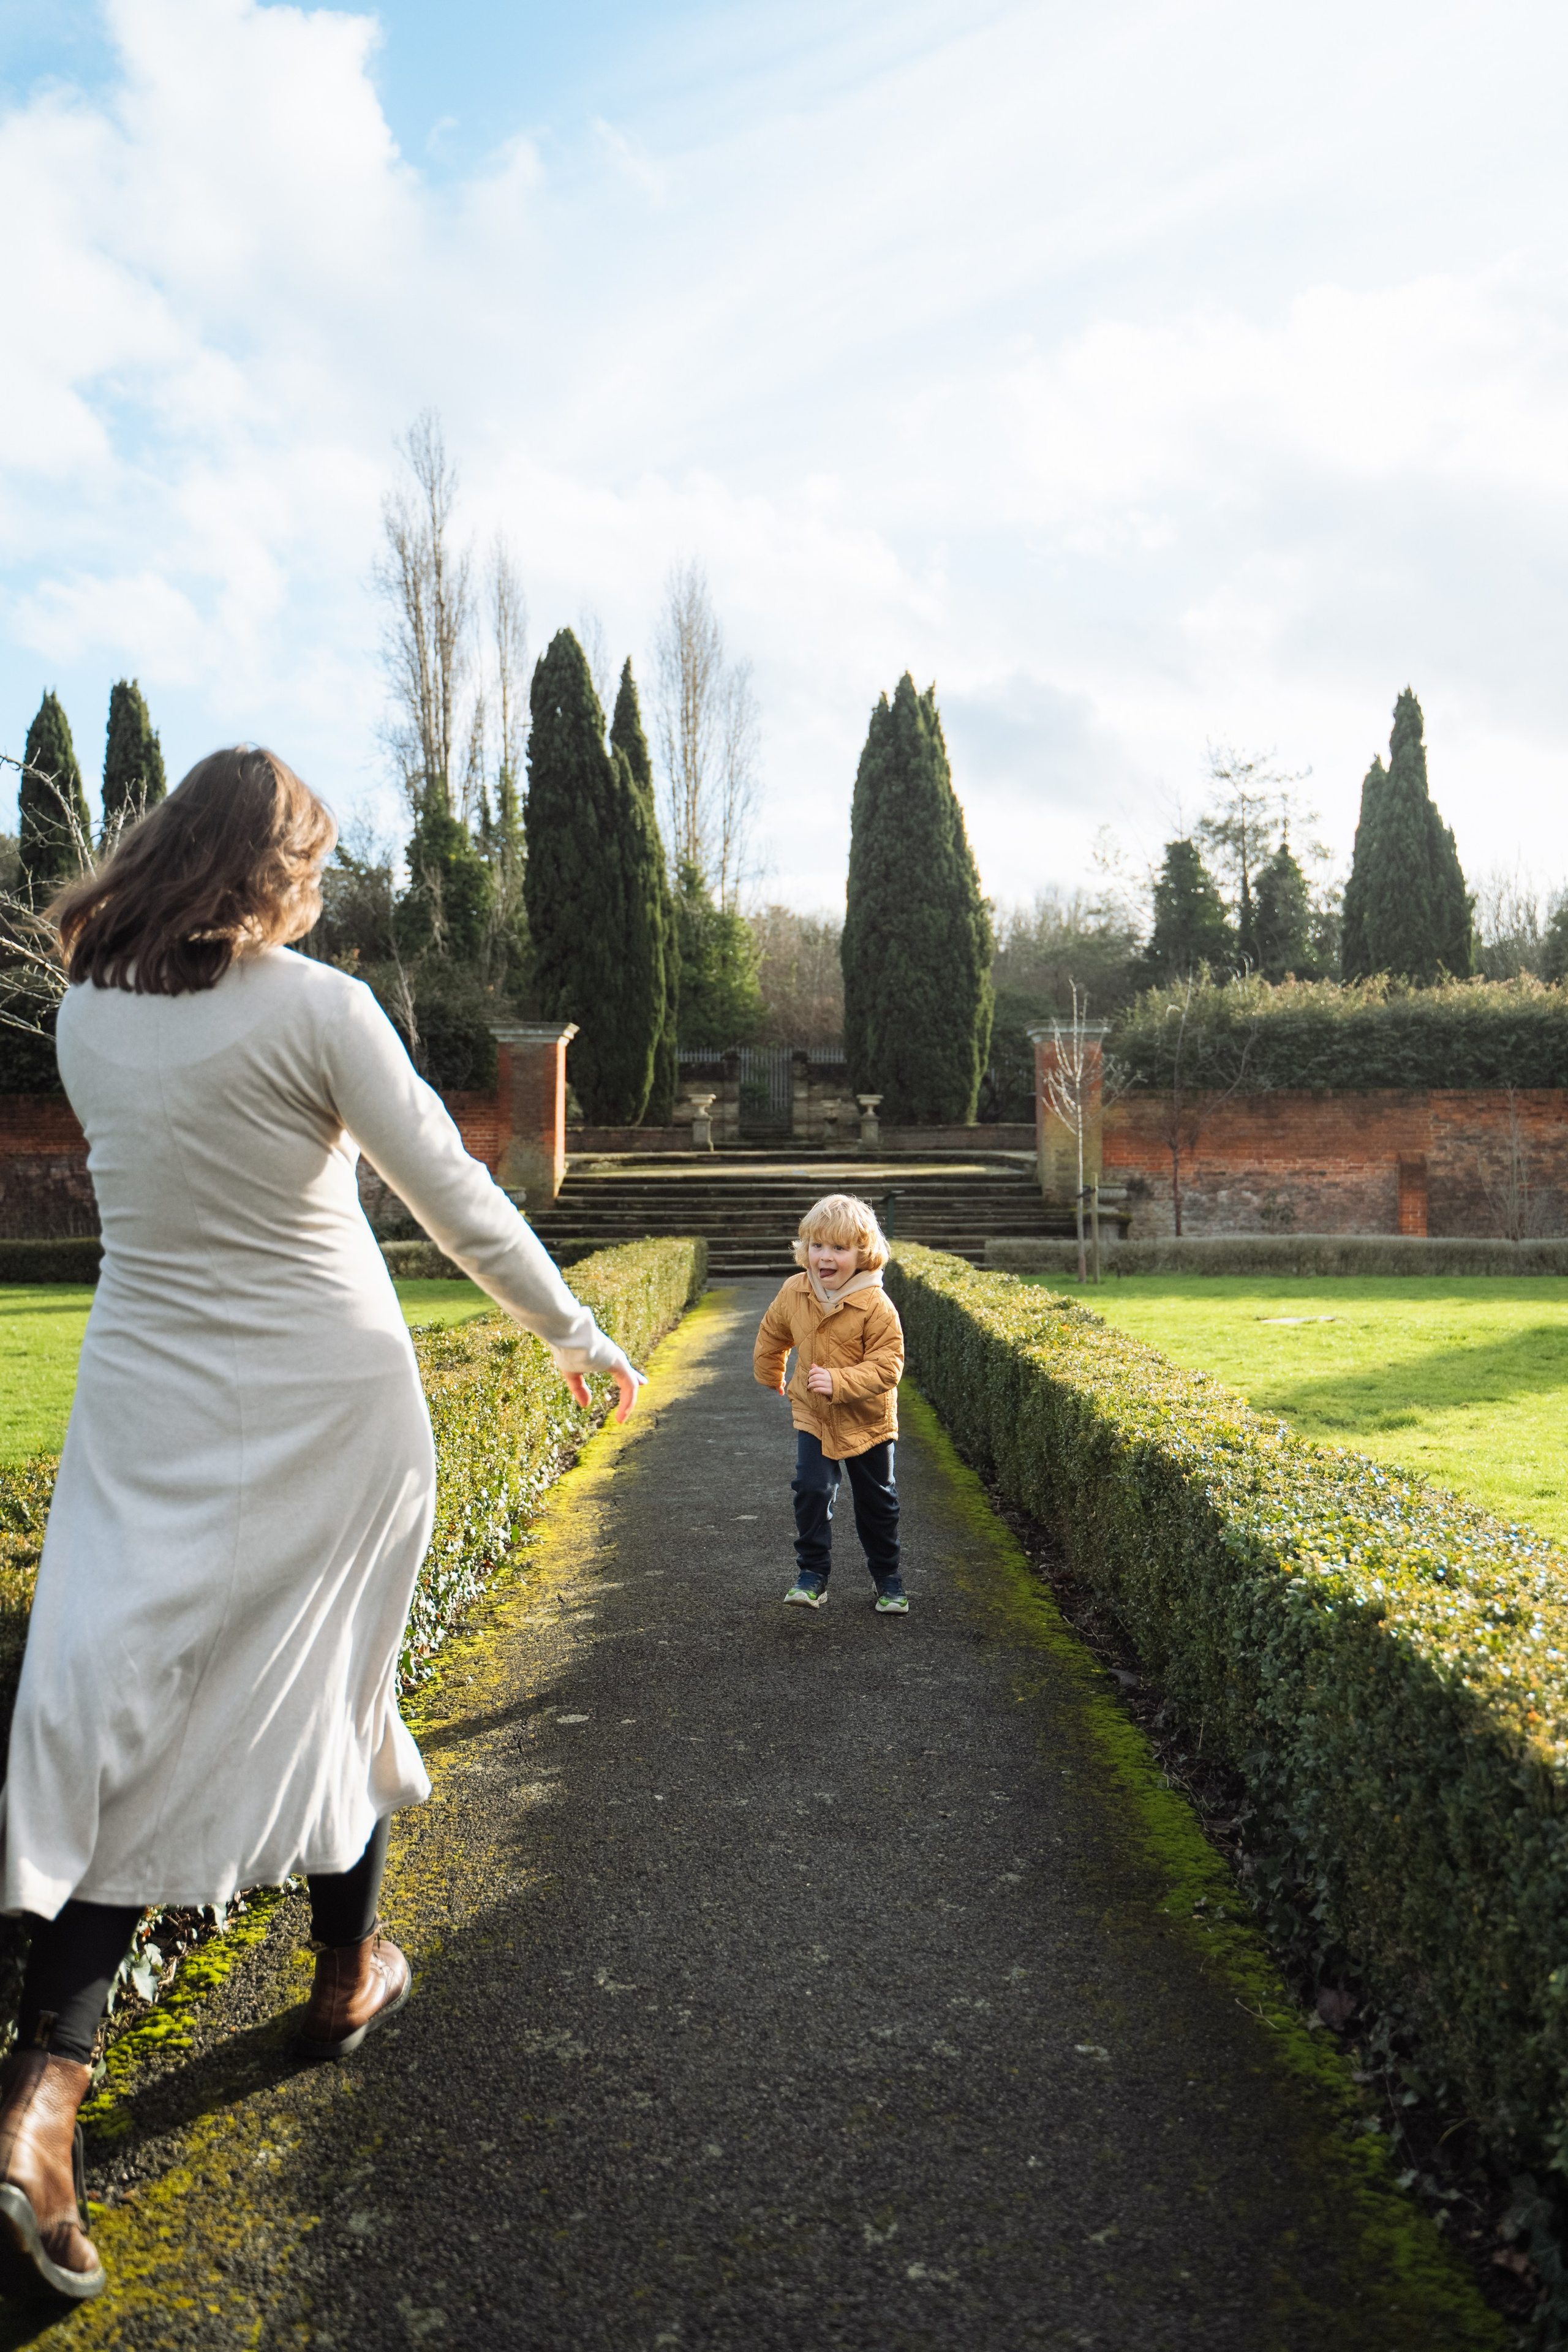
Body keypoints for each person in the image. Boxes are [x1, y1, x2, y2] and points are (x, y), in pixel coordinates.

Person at [0, 746, 642, 2304]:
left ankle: (42, 2097)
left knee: (130, 1714)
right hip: (327, 1400)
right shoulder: (320, 1007)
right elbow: (457, 1199)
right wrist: (575, 1330)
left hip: (148, 1403)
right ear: (270, 866)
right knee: (336, 1686)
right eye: (311, 862)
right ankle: (343, 1974)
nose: (316, 889)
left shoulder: (91, 1010)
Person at [752, 1193, 906, 1613]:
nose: (826, 1257)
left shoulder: (876, 1304)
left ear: (862, 1254)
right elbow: (774, 1331)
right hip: (814, 1414)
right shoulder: (796, 1291)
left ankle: (888, 1578)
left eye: (839, 1249)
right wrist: (770, 1371)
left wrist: (838, 1381)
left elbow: (889, 1365)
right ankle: (812, 1574)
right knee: (812, 1488)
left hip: (868, 1419)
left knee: (878, 1500)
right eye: (818, 1246)